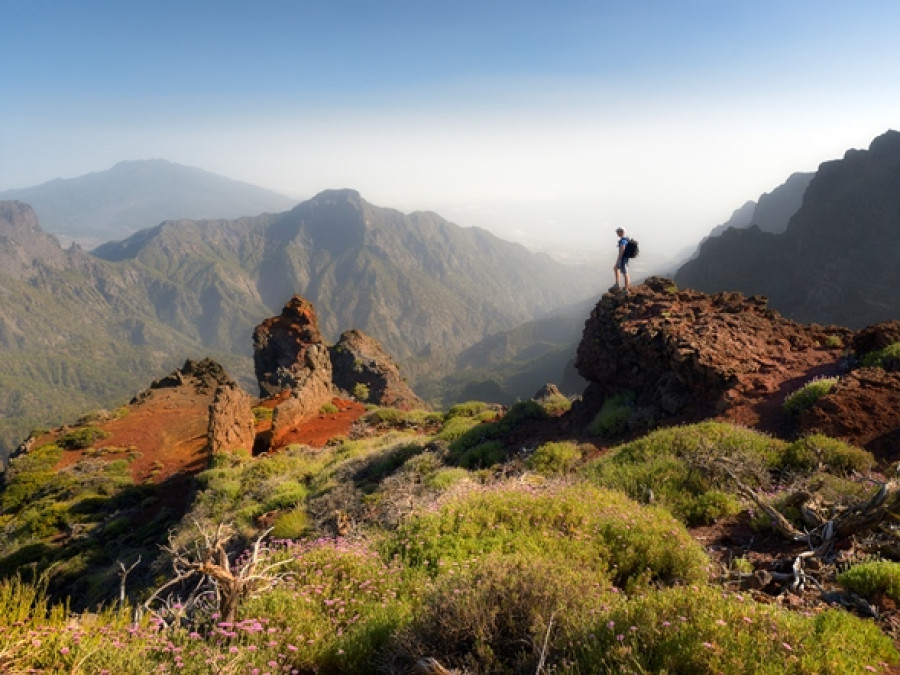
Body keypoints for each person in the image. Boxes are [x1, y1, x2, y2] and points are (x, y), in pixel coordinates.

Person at [612, 227, 630, 292]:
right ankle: (617, 284)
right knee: (615, 268)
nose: (617, 233)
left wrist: (619, 259)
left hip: (623, 259)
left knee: (625, 273)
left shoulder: (623, 240)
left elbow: (622, 249)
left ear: (621, 232)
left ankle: (626, 289)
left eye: (618, 232)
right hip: (623, 258)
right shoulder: (624, 239)